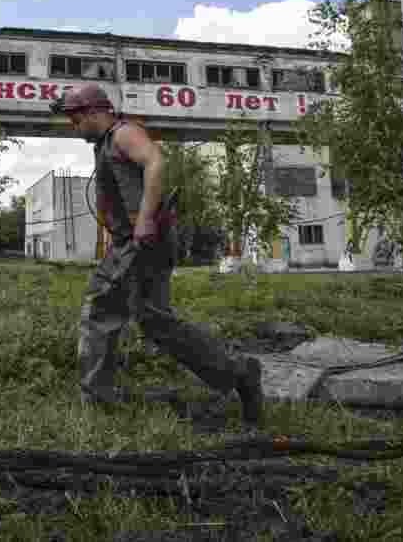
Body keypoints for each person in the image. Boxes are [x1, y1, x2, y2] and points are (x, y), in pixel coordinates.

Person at [50, 83, 264, 429]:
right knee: (146, 321)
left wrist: (146, 219)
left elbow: (154, 161)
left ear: (93, 112)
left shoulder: (123, 132)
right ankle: (238, 372)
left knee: (114, 314)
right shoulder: (106, 141)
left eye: (76, 121)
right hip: (131, 242)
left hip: (143, 241)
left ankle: (100, 403)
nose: (74, 129)